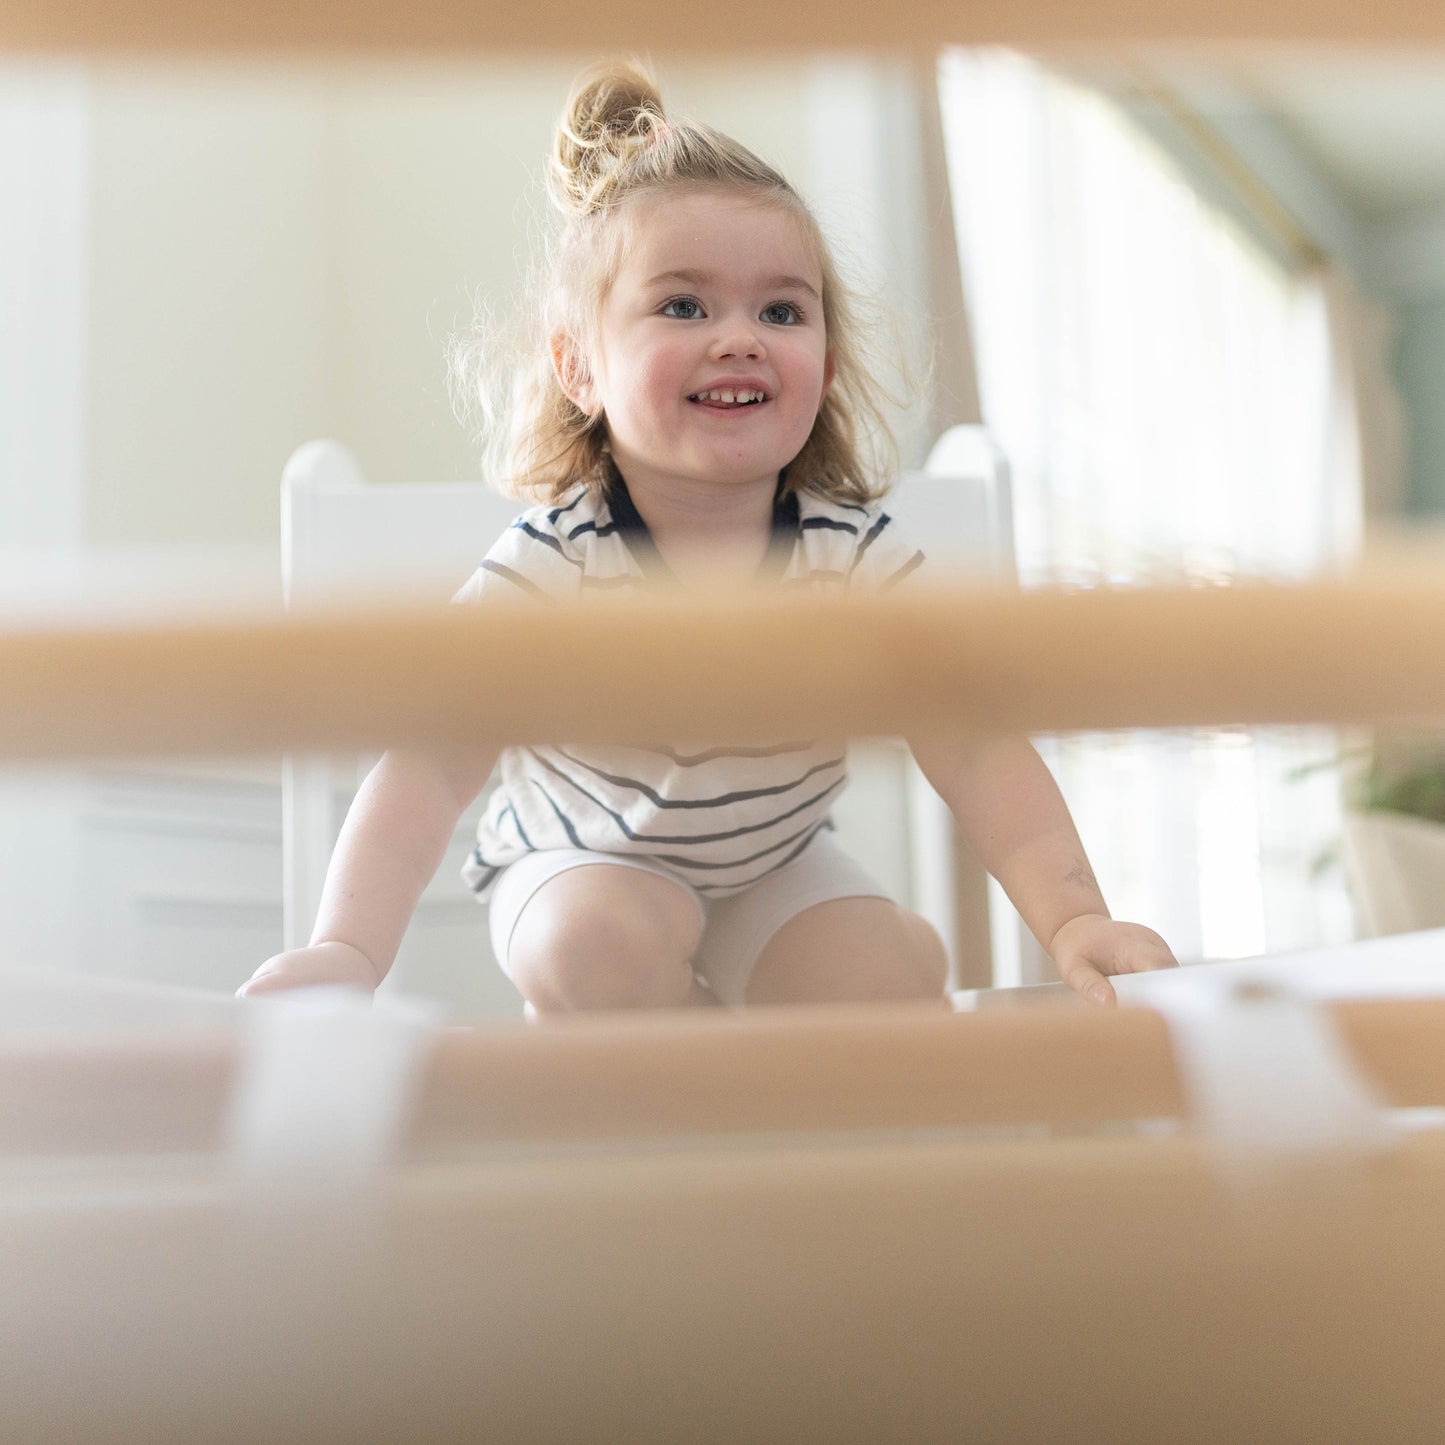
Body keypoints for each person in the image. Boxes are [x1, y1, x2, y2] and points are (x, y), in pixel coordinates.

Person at [240, 61, 1177, 1011]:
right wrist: (348, 952)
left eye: (781, 310)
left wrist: (1071, 919)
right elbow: (427, 768)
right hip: (577, 865)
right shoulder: (552, 565)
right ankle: (674, 1024)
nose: (739, 338)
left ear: (825, 359)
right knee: (593, 945)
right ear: (579, 368)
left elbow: (976, 750)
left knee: (884, 1004)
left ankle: (890, 955)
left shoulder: (853, 561)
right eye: (682, 306)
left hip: (772, 864)